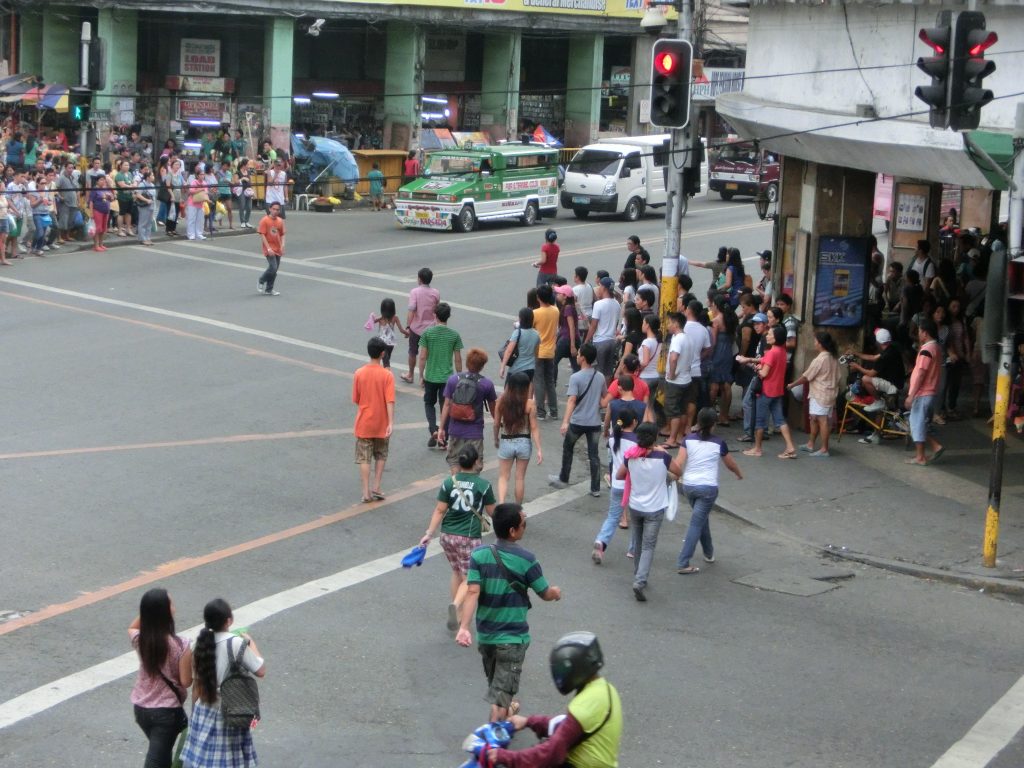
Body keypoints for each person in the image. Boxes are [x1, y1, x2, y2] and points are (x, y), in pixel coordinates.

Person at [456, 502, 562, 722]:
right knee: (500, 698)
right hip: (512, 638)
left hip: (486, 635)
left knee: (498, 687)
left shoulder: (479, 555)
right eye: (524, 524)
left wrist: (464, 627)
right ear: (513, 531)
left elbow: (473, 591)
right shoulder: (527, 559)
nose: (525, 527)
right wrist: (556, 593)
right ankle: (493, 742)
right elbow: (544, 592)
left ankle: (506, 713)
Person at [473, 632, 622, 768]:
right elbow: (565, 725)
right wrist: (528, 721)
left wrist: (505, 756)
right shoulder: (604, 689)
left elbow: (552, 753)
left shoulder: (585, 704)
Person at [179, 599, 265, 768]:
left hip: (204, 709)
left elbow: (197, 685)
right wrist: (251, 643)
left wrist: (194, 713)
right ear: (229, 621)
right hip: (231, 710)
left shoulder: (199, 644)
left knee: (202, 761)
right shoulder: (236, 642)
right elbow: (260, 670)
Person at [420, 443, 496, 632]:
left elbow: (439, 510)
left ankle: (459, 611)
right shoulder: (483, 485)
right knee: (470, 577)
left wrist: (429, 534)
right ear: (476, 462)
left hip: (447, 536)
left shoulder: (449, 482)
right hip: (468, 536)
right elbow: (492, 512)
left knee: (456, 571)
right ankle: (456, 605)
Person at [616, 422, 682, 601]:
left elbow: (619, 475)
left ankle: (639, 574)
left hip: (635, 506)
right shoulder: (663, 457)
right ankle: (639, 580)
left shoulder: (631, 457)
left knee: (638, 542)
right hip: (655, 508)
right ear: (655, 438)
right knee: (648, 546)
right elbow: (678, 471)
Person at [673, 408, 743, 574]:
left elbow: (678, 463)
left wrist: (673, 477)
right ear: (713, 425)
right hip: (708, 489)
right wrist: (739, 474)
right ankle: (683, 562)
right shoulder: (719, 443)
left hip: (688, 487)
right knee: (696, 523)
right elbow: (730, 464)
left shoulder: (687, 440)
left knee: (701, 518)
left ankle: (709, 552)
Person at [129, 588, 189, 768]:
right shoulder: (181, 645)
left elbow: (132, 627)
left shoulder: (141, 639)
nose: (174, 607)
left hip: (141, 709)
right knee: (156, 761)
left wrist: (148, 612)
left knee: (162, 757)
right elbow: (186, 681)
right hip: (166, 713)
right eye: (170, 604)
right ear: (165, 612)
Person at [548, 343, 607, 497]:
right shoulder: (599, 377)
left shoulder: (575, 377)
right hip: (594, 422)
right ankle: (595, 488)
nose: (577, 356)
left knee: (568, 448)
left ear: (583, 358)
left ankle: (564, 477)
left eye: (579, 354)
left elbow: (571, 401)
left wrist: (565, 421)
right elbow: (603, 400)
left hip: (578, 421)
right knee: (594, 455)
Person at [743, 325, 798, 459]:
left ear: (776, 337)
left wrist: (755, 368)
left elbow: (764, 373)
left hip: (766, 390)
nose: (767, 335)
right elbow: (767, 363)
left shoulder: (771, 352)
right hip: (777, 390)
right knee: (780, 420)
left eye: (770, 334)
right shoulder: (782, 351)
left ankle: (757, 449)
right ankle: (790, 447)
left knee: (760, 421)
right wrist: (752, 360)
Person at [439, 347, 497, 472]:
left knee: (454, 462)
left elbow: (446, 405)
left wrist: (441, 428)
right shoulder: (486, 384)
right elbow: (493, 410)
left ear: (467, 363)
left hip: (455, 430)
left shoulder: (453, 380)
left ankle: (457, 488)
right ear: (482, 366)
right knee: (475, 465)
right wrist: (498, 425)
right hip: (474, 432)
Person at [352, 336, 396, 503]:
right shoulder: (387, 375)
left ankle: (366, 492)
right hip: (382, 422)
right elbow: (390, 400)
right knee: (381, 454)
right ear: (383, 354)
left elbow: (356, 398)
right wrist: (390, 422)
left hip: (364, 421)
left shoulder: (359, 373)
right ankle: (376, 486)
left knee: (364, 457)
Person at [593, 409, 639, 563]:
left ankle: (601, 541)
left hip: (616, 483)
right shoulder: (636, 440)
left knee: (612, 517)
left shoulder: (613, 437)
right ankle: (633, 549)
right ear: (633, 422)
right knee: (637, 518)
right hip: (631, 484)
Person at [419, 301, 464, 449]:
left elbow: (423, 357)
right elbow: (458, 358)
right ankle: (443, 437)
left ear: (435, 315)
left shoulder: (427, 333)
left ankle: (433, 429)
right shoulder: (454, 335)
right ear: (448, 317)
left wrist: (421, 374)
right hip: (447, 378)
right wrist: (460, 377)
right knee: (446, 407)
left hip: (431, 376)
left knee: (428, 404)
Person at [788, 331, 840, 456]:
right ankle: (811, 444)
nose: (814, 343)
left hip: (820, 393)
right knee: (814, 419)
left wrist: (792, 384)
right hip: (828, 393)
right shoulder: (832, 357)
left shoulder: (820, 359)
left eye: (816, 341)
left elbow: (806, 377)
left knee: (822, 421)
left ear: (820, 343)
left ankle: (824, 449)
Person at [494, 372, 542, 504]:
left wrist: (496, 439)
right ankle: (518, 509)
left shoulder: (501, 402)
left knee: (504, 477)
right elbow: (534, 428)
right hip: (524, 442)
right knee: (520, 478)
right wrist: (539, 448)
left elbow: (496, 424)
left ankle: (502, 504)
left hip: (506, 440)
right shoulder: (530, 404)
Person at [905, 317, 945, 466]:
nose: (918, 333)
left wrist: (911, 395)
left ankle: (920, 456)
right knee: (919, 423)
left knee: (917, 423)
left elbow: (921, 372)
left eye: (920, 331)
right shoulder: (935, 347)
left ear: (925, 333)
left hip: (923, 392)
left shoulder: (927, 350)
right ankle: (935, 446)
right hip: (930, 391)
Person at [663, 311, 696, 448]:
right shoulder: (688, 338)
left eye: (670, 322)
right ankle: (679, 436)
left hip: (675, 381)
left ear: (676, 323)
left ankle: (671, 439)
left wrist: (672, 373)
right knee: (682, 410)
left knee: (673, 410)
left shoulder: (677, 339)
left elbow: (673, 357)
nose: (668, 326)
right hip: (686, 379)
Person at [403, 267, 440, 384]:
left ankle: (410, 374)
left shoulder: (415, 292)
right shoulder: (435, 293)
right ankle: (422, 378)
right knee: (427, 354)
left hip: (416, 327)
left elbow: (412, 310)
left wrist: (408, 326)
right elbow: (436, 310)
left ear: (419, 279)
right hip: (431, 328)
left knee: (412, 352)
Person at [532, 284, 560, 420]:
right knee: (550, 381)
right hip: (550, 351)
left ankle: (541, 412)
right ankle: (554, 411)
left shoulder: (535, 313)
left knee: (538, 381)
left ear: (538, 297)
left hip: (538, 351)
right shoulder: (555, 310)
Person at [584, 277, 621, 381]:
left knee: (598, 370)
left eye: (599, 286)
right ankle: (606, 393)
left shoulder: (598, 304)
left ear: (604, 288)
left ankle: (598, 394)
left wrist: (586, 341)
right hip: (612, 341)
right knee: (608, 371)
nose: (598, 289)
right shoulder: (617, 304)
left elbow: (594, 325)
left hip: (600, 341)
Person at [709, 296, 737, 426]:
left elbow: (713, 343)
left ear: (716, 305)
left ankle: (710, 414)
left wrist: (709, 355)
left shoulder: (716, 321)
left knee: (714, 385)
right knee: (726, 385)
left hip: (718, 353)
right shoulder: (732, 319)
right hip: (727, 353)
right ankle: (724, 415)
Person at [501, 308, 540, 382]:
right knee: (524, 392)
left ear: (521, 319)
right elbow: (536, 352)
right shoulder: (536, 334)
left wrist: (502, 367)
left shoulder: (517, 333)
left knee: (508, 392)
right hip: (530, 369)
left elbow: (509, 351)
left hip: (517, 368)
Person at [256, 202, 285, 296]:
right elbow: (262, 235)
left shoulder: (280, 221)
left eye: (277, 210)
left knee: (275, 270)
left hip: (278, 248)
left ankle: (269, 289)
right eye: (274, 209)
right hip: (269, 248)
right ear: (270, 209)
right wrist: (268, 248)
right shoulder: (264, 220)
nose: (275, 211)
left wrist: (282, 246)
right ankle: (261, 280)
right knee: (273, 267)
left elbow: (282, 234)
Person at [372, 297, 409, 369]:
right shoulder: (395, 318)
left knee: (384, 360)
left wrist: (372, 317)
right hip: (391, 343)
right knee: (387, 358)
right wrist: (407, 333)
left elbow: (372, 322)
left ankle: (386, 373)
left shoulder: (381, 318)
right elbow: (401, 330)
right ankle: (385, 370)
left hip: (382, 342)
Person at [87, 175, 114, 252]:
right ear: (97, 181)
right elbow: (91, 201)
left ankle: (101, 244)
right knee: (98, 229)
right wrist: (91, 213)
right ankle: (96, 245)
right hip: (97, 211)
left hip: (106, 211)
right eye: (101, 180)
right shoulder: (94, 189)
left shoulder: (106, 189)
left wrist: (110, 197)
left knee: (103, 229)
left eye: (104, 180)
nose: (103, 181)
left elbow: (112, 199)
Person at [133, 167, 157, 246]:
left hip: (151, 205)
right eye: (152, 175)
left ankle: (147, 237)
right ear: (148, 177)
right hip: (144, 206)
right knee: (143, 222)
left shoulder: (152, 185)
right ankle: (142, 238)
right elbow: (138, 194)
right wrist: (146, 200)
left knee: (149, 223)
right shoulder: (142, 184)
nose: (153, 177)